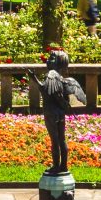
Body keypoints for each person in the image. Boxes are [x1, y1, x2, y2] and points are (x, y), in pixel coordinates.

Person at [38, 47, 86, 176]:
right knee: (62, 139)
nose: (48, 60)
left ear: (58, 62)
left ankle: (55, 166)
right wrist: (33, 78)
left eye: (51, 58)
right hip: (60, 113)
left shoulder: (52, 75)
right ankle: (63, 166)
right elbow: (48, 90)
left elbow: (49, 92)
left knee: (54, 141)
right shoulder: (65, 79)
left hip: (51, 113)